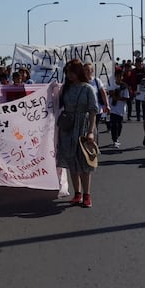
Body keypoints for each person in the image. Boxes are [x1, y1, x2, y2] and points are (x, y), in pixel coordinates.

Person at [56, 59, 98, 207]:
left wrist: (90, 132)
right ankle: (77, 193)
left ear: (78, 72)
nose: (69, 75)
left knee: (84, 162)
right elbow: (56, 104)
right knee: (72, 161)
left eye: (72, 72)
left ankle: (87, 195)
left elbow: (93, 111)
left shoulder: (88, 88)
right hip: (67, 128)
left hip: (82, 128)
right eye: (67, 72)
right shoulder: (65, 88)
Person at [108, 69, 129, 148]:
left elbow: (126, 98)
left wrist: (118, 98)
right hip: (112, 108)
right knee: (114, 125)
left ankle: (117, 136)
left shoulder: (124, 86)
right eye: (117, 76)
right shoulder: (111, 85)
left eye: (120, 76)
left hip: (120, 109)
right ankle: (115, 139)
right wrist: (111, 93)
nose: (119, 78)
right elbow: (105, 93)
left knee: (119, 125)